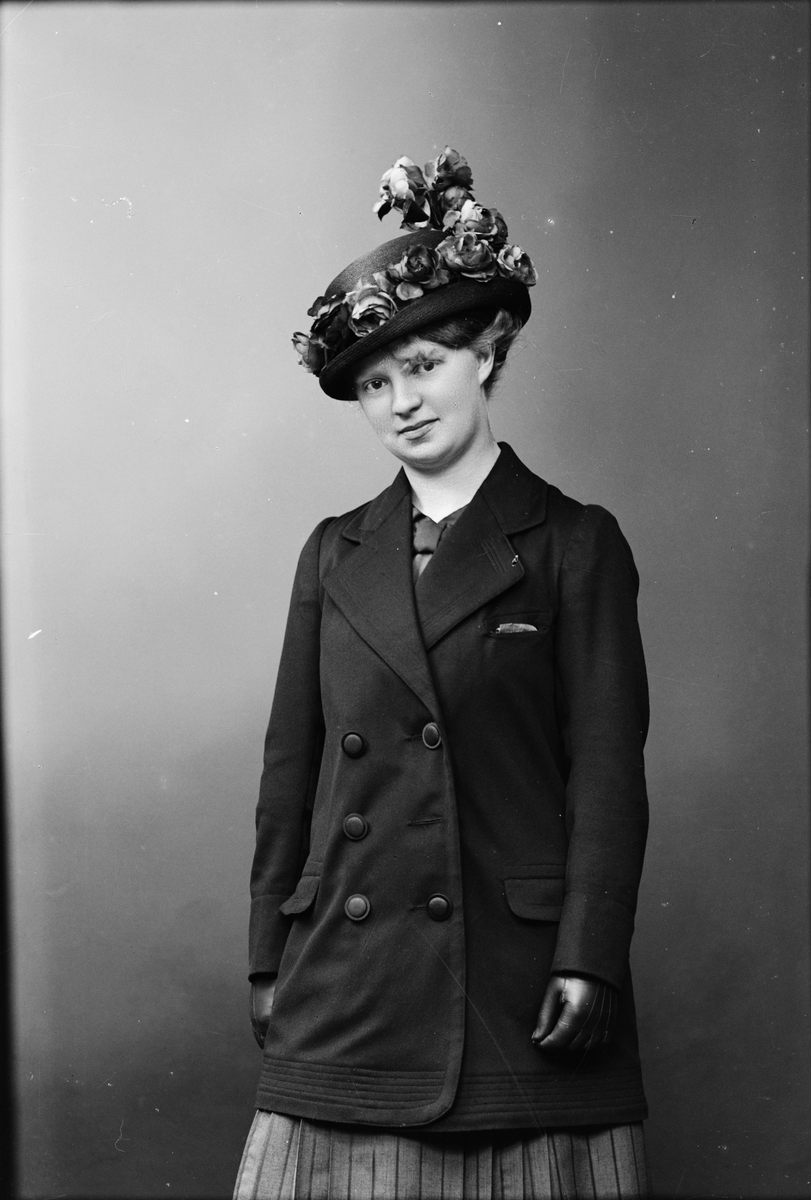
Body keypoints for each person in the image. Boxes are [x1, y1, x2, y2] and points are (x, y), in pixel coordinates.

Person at [234, 148, 651, 1200]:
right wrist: (266, 957)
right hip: (344, 982)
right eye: (375, 384)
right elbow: (290, 773)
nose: (401, 402)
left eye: (422, 366)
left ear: (486, 352)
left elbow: (606, 774)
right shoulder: (333, 553)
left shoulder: (573, 544)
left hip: (518, 988)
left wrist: (589, 955)